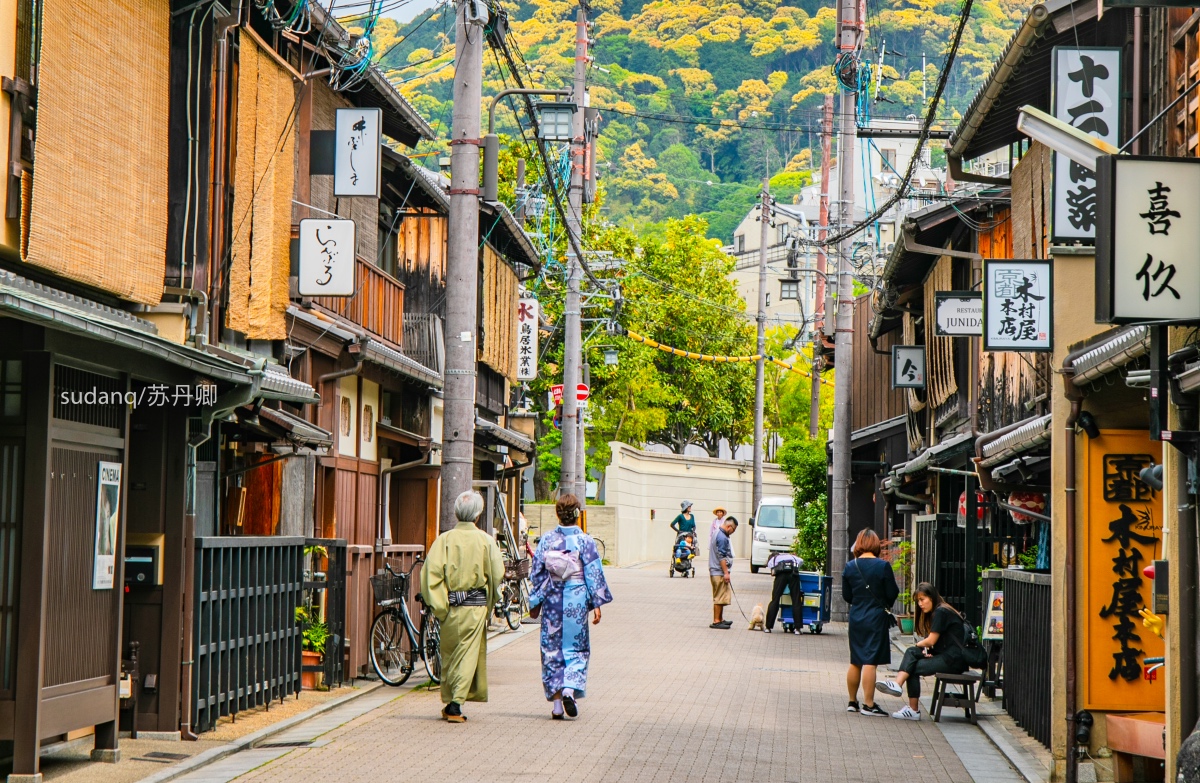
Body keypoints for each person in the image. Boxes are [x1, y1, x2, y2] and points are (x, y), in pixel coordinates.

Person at [420, 491, 506, 723]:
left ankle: (450, 701)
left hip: (449, 608)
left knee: (450, 656)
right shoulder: (486, 541)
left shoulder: (444, 540)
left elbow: (430, 575)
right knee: (467, 654)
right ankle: (456, 704)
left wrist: (440, 606)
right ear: (478, 515)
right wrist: (491, 602)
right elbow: (497, 574)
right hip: (475, 607)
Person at [529, 494, 613, 720]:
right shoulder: (585, 541)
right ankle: (569, 689)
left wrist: (535, 600)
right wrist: (597, 604)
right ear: (577, 514)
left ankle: (557, 705)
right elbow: (594, 572)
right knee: (576, 649)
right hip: (576, 598)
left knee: (551, 650)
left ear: (557, 514)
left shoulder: (546, 540)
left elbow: (537, 573)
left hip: (553, 599)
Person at [875, 582, 969, 720]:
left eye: (922, 599)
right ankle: (897, 685)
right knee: (912, 652)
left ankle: (913, 709)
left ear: (932, 597)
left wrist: (920, 644)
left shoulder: (941, 611)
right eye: (918, 601)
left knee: (912, 667)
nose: (920, 604)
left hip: (953, 660)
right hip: (945, 655)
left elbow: (931, 641)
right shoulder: (940, 610)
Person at [842, 528, 898, 717]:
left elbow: (846, 595)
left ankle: (852, 702)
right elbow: (892, 593)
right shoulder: (883, 566)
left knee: (855, 660)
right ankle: (868, 704)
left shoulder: (850, 566)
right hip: (875, 617)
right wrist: (883, 604)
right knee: (870, 661)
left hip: (856, 616)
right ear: (875, 545)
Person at [709, 516, 738, 629]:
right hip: (718, 570)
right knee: (719, 596)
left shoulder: (717, 533)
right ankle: (716, 621)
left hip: (716, 569)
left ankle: (720, 619)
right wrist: (726, 572)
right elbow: (721, 556)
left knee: (721, 596)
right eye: (733, 530)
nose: (732, 532)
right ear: (729, 526)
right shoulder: (722, 537)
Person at [764, 550, 803, 634]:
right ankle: (798, 629)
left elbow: (773, 572)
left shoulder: (773, 559)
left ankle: (768, 627)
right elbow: (801, 561)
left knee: (775, 600)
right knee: (796, 600)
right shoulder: (791, 556)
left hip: (781, 575)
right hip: (793, 574)